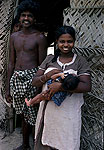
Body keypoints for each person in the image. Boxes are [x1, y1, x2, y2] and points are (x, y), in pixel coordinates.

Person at [28, 26, 92, 150]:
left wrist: (61, 87)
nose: (66, 45)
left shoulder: (80, 61)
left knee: (67, 143)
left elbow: (87, 86)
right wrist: (47, 76)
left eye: (69, 41)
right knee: (47, 141)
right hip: (48, 112)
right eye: (62, 41)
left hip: (69, 113)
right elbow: (35, 82)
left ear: (74, 41)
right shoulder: (50, 59)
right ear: (57, 41)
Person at [5, 0, 48, 150]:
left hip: (32, 78)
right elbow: (11, 62)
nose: (26, 18)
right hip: (16, 78)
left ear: (34, 19)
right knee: (23, 113)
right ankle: (25, 144)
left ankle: (35, 144)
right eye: (23, 15)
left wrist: (38, 87)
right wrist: (7, 88)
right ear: (19, 17)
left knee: (33, 113)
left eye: (30, 16)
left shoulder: (40, 38)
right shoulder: (14, 37)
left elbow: (42, 65)